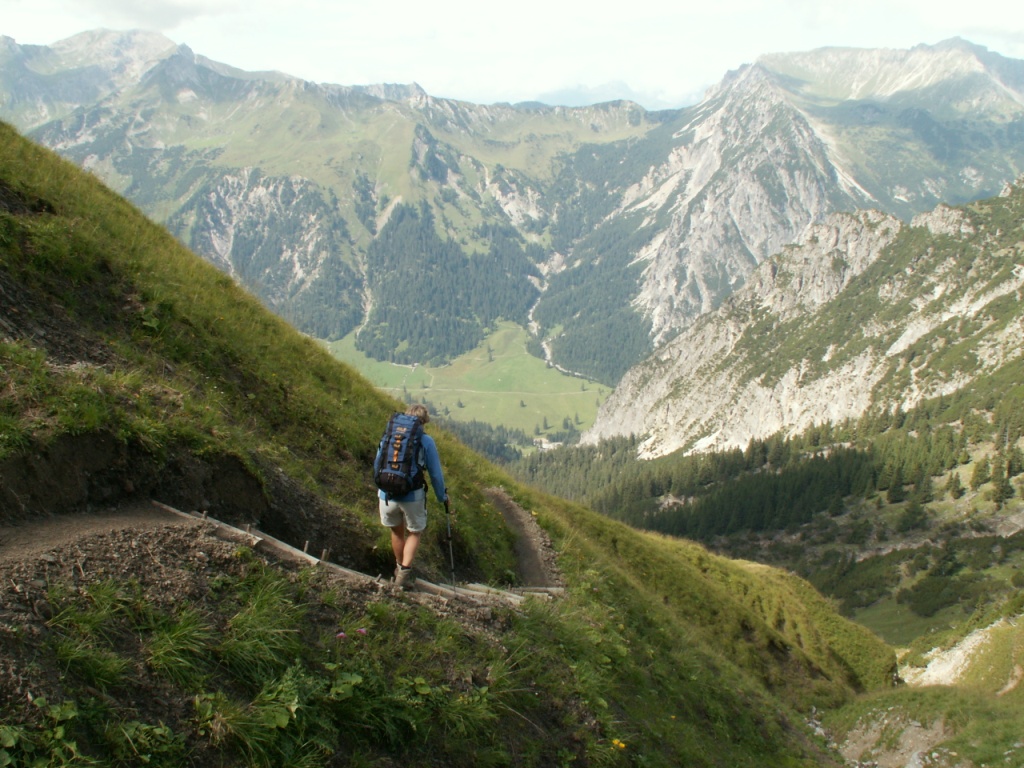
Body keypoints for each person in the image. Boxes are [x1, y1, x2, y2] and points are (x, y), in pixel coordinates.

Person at [376, 404, 449, 589]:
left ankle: (398, 570)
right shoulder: (426, 441)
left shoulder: (389, 436)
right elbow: (435, 474)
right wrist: (443, 497)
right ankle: (403, 576)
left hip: (386, 494)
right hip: (412, 495)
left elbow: (378, 463)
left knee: (396, 531)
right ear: (423, 422)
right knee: (414, 532)